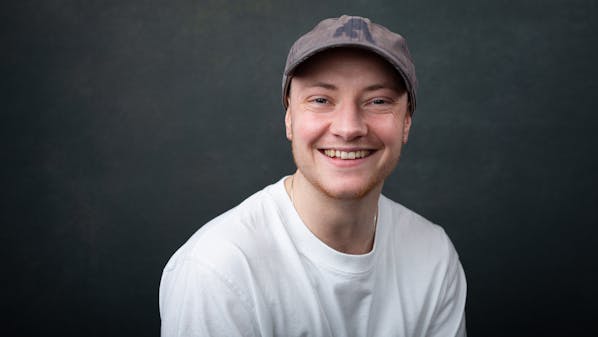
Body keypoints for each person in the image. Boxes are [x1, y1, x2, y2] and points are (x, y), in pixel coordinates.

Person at [159, 15, 467, 337]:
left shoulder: (433, 254)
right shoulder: (218, 271)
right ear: (289, 117)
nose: (348, 128)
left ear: (406, 121)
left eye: (378, 101)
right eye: (321, 100)